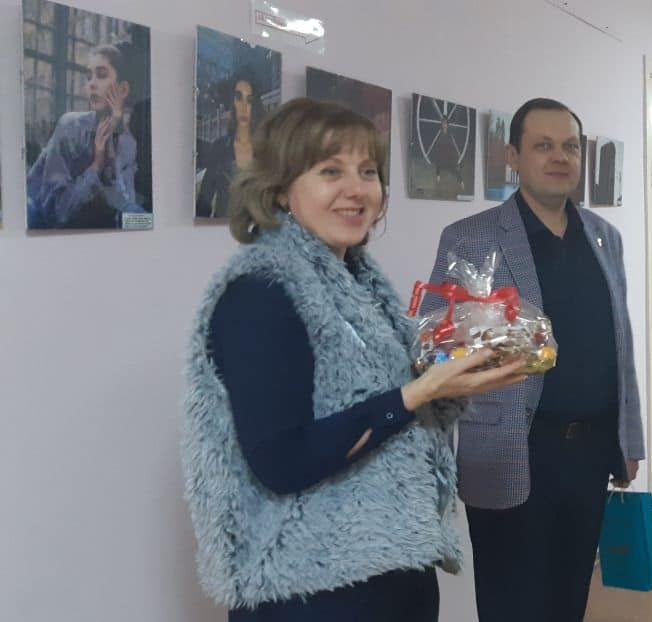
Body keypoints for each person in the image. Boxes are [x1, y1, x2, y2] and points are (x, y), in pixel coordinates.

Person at [181, 98, 528, 621]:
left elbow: (385, 404)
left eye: (368, 171)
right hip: (313, 590)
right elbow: (281, 462)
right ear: (279, 189)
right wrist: (419, 393)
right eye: (330, 171)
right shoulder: (260, 293)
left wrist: (454, 372)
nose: (357, 189)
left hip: (392, 570)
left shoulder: (358, 284)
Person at [424, 97, 644, 622]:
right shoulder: (470, 238)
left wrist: (628, 440)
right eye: (543, 145)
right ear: (513, 157)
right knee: (511, 603)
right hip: (509, 448)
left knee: (570, 594)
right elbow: (436, 343)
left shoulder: (604, 237)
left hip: (590, 452)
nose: (559, 157)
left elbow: (621, 344)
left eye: (570, 146)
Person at [26, 44, 145, 229]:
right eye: (89, 77)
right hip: (37, 224)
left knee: (137, 216)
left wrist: (112, 143)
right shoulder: (70, 126)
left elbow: (125, 208)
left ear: (122, 90)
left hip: (89, 234)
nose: (91, 84)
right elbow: (57, 213)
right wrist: (96, 166)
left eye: (101, 75)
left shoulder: (127, 142)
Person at [197, 74, 262, 218]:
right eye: (238, 98)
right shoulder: (219, 147)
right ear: (232, 103)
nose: (244, 107)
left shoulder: (267, 151)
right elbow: (204, 201)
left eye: (249, 100)